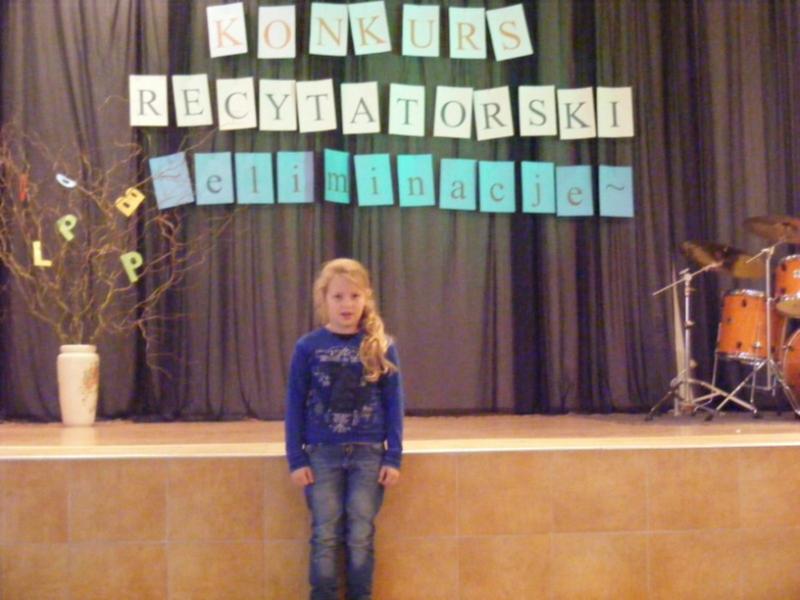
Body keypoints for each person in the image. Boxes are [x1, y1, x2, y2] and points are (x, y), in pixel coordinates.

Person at [285, 257, 404, 600]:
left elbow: (394, 404)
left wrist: (393, 456)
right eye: (338, 297)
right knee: (325, 533)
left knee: (360, 534)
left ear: (366, 298)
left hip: (368, 455)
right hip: (322, 454)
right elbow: (294, 403)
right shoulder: (308, 347)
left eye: (354, 296)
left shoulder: (381, 345)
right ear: (323, 299)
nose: (346, 304)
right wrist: (296, 458)